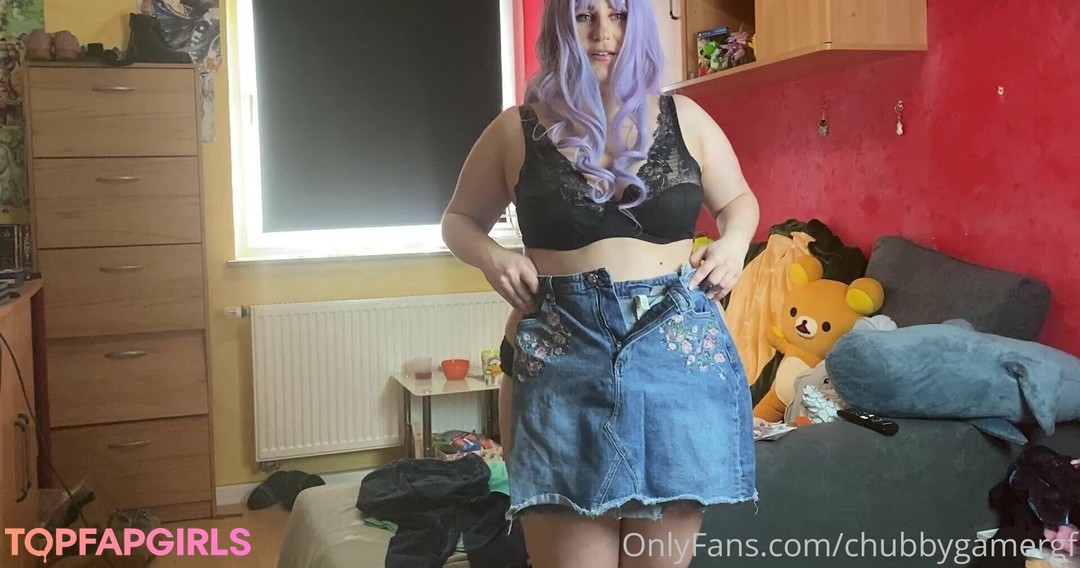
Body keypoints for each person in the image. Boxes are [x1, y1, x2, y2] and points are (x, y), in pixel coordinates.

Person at [441, 0, 759, 565]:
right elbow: (458, 220)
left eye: (619, 15)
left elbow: (738, 201)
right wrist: (492, 257)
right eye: (585, 16)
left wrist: (734, 243)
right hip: (562, 361)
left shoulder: (687, 117)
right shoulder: (515, 129)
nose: (603, 33)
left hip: (676, 360)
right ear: (561, 27)